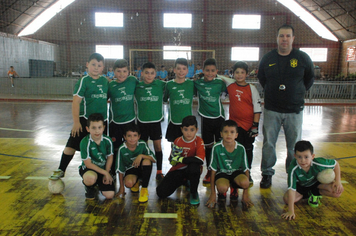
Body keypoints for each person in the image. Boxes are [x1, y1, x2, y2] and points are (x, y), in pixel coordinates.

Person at [258, 24, 314, 188]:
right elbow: (262, 79)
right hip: (272, 109)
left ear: (293, 38)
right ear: (277, 38)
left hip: (294, 110)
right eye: (281, 36)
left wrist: (297, 92)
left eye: (288, 36)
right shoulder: (268, 58)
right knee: (269, 144)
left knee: (293, 146)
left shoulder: (303, 58)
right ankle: (267, 174)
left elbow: (309, 79)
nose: (284, 39)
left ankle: (293, 175)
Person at [50, 53, 109, 180]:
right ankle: (61, 169)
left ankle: (102, 174)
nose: (96, 68)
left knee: (100, 148)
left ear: (103, 67)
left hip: (102, 123)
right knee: (71, 144)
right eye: (93, 64)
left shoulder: (105, 82)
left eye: (99, 65)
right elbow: (76, 102)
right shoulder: (84, 81)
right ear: (87, 65)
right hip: (85, 120)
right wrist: (76, 122)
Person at [281, 140, 343, 220]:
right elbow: (291, 189)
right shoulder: (293, 168)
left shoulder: (319, 162)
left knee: (337, 191)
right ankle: (309, 194)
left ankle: (315, 194)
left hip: (316, 183)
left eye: (306, 157)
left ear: (312, 156)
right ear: (295, 156)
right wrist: (291, 211)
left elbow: (335, 164)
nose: (303, 160)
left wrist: (338, 181)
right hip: (301, 186)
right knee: (287, 199)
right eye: (299, 157)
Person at [223, 61, 262, 184]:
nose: (239, 75)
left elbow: (257, 108)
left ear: (247, 74)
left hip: (248, 126)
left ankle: (247, 172)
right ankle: (235, 171)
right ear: (233, 73)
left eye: (242, 72)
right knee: (234, 149)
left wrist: (255, 126)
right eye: (237, 72)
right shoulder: (230, 85)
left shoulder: (252, 89)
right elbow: (219, 77)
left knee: (248, 149)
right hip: (235, 127)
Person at [156, 116, 205, 205]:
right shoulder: (177, 141)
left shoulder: (198, 141)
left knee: (194, 167)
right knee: (160, 192)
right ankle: (185, 181)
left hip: (191, 170)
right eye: (186, 130)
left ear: (196, 130)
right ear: (181, 129)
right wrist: (173, 159)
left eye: (192, 130)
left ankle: (193, 192)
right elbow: (173, 161)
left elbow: (200, 160)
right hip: (178, 170)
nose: (189, 133)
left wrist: (181, 159)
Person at [193, 58, 226, 183]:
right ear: (203, 70)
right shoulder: (198, 83)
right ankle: (209, 170)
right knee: (208, 146)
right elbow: (191, 82)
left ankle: (221, 169)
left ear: (217, 71)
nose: (210, 73)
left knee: (220, 145)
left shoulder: (220, 82)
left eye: (213, 70)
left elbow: (230, 86)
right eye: (207, 70)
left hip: (219, 117)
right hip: (205, 118)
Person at [206, 120, 253, 208]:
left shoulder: (241, 148)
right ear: (221, 134)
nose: (229, 135)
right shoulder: (216, 148)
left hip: (236, 173)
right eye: (225, 132)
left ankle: (234, 189)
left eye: (232, 132)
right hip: (222, 173)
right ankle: (221, 192)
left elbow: (246, 169)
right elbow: (213, 171)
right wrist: (213, 194)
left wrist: (245, 194)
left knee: (245, 182)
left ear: (236, 135)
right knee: (222, 187)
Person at [135, 62, 165, 181]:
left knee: (158, 146)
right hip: (142, 121)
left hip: (155, 121)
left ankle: (159, 171)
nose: (149, 75)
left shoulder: (161, 84)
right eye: (146, 73)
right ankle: (143, 171)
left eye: (152, 73)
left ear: (155, 74)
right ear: (142, 73)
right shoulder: (137, 86)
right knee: (143, 147)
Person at [108, 59, 138, 172]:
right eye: (119, 71)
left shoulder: (132, 80)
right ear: (114, 72)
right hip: (115, 122)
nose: (122, 74)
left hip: (129, 121)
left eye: (124, 71)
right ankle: (114, 169)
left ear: (128, 71)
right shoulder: (110, 85)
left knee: (130, 146)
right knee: (115, 147)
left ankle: (131, 168)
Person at [79, 113, 115, 200]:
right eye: (93, 128)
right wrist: (105, 173)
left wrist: (106, 172)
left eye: (99, 127)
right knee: (90, 178)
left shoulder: (108, 140)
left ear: (103, 127)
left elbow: (110, 157)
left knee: (110, 195)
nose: (97, 131)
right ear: (88, 129)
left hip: (102, 169)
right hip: (89, 169)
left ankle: (98, 185)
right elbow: (88, 164)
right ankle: (89, 187)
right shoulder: (85, 142)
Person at [116, 124, 156, 203]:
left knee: (147, 161)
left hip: (142, 168)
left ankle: (144, 190)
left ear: (139, 136)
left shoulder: (142, 144)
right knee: (128, 183)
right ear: (125, 137)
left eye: (135, 135)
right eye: (129, 136)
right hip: (131, 170)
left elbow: (154, 159)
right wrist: (121, 187)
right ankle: (136, 182)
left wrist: (141, 156)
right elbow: (120, 169)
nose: (132, 138)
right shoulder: (122, 149)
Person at [164, 58, 194, 143]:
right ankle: (175, 156)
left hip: (188, 121)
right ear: (174, 70)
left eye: (184, 69)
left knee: (188, 145)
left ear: (187, 70)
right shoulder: (169, 85)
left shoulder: (191, 84)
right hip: (174, 121)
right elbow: (165, 99)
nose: (181, 71)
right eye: (178, 68)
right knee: (175, 146)